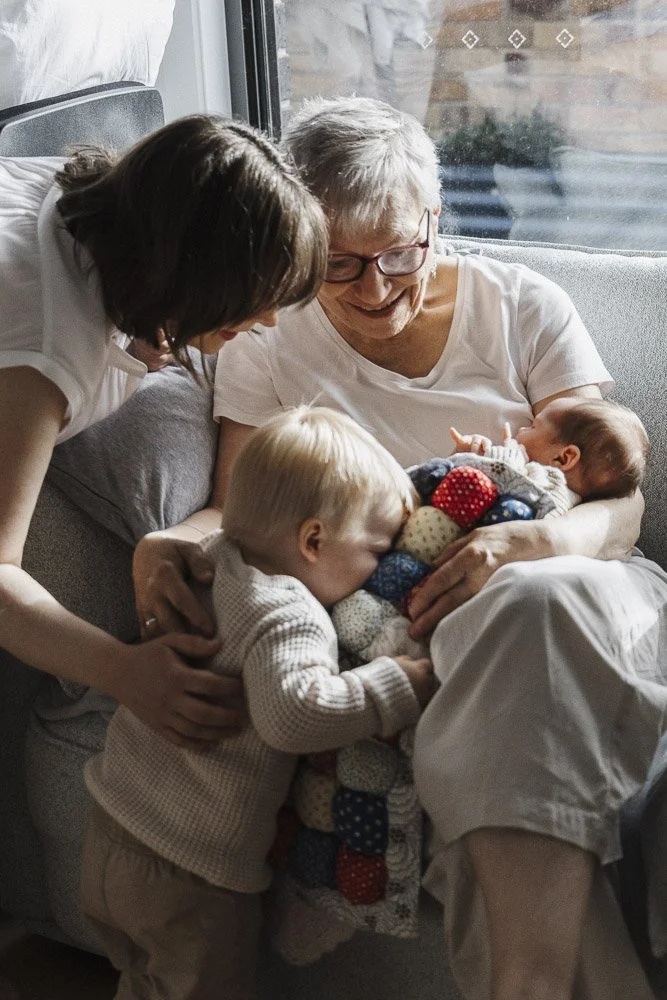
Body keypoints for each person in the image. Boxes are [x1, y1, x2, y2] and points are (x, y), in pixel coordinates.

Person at [135, 96, 667, 1000]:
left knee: (521, 607)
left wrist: (533, 540)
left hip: (585, 588)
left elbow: (619, 504)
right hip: (425, 631)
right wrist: (165, 541)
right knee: (464, 695)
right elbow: (235, 509)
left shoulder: (520, 306)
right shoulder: (268, 343)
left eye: (397, 253)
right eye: (338, 265)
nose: (375, 287)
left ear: (433, 218)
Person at [81, 405, 433, 1000]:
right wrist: (397, 684)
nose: (378, 571)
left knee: (138, 980)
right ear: (314, 539)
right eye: (375, 551)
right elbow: (294, 715)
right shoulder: (289, 612)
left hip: (110, 831)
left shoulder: (209, 558)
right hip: (192, 874)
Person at [0, 112, 328, 749]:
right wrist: (123, 672)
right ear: (191, 273)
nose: (266, 322)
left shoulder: (86, 198)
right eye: (253, 299)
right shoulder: (44, 357)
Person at [449, 395, 650, 515]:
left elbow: (506, 476)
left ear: (563, 458)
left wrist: (488, 453)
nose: (521, 431)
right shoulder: (568, 502)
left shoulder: (549, 489)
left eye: (533, 426)